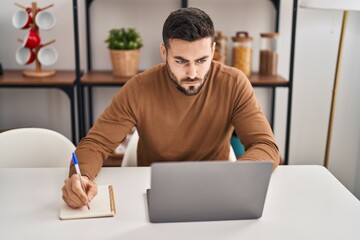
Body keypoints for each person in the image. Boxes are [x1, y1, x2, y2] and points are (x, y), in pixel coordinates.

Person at [62, 7, 280, 209]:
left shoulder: (233, 83)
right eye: (181, 61)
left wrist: (235, 175)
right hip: (151, 193)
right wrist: (82, 177)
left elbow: (265, 145)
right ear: (164, 52)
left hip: (216, 194)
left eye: (202, 60)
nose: (193, 73)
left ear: (213, 51)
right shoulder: (140, 88)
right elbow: (96, 142)